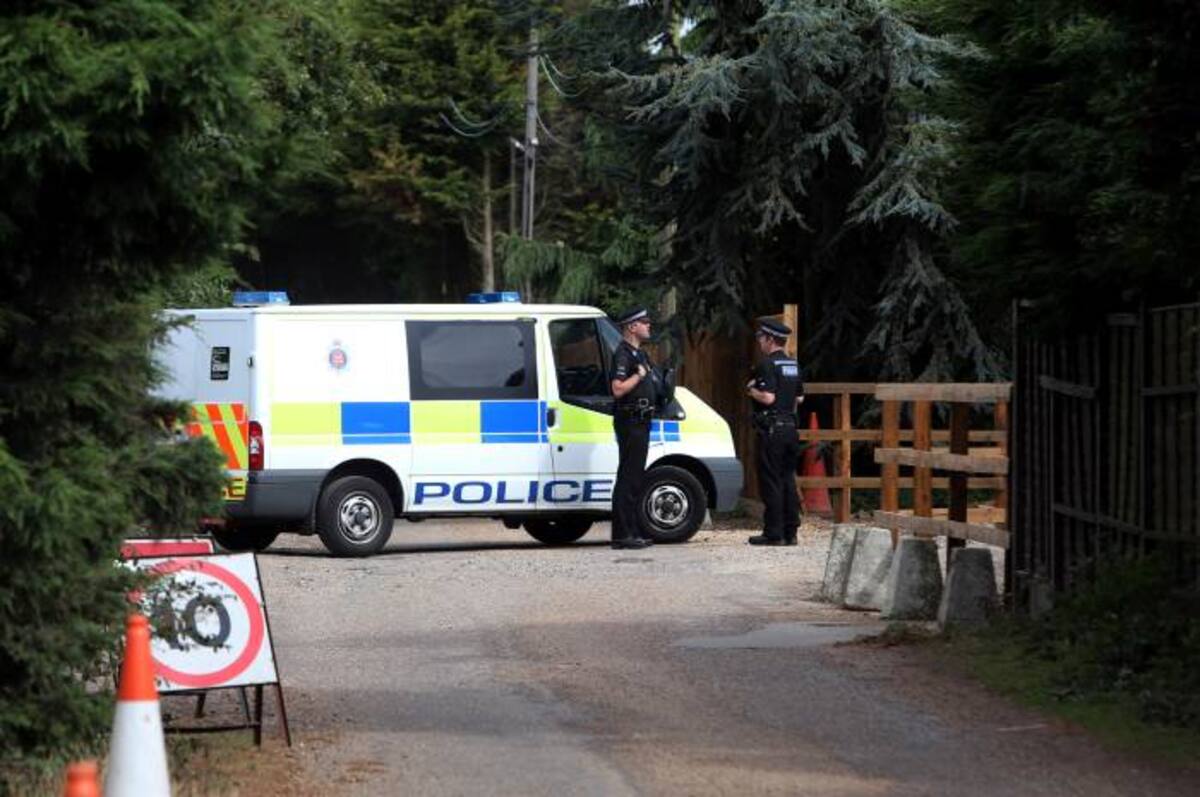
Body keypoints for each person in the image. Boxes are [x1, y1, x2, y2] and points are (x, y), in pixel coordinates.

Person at [746, 319, 804, 546]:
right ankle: (791, 531)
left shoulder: (767, 365)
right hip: (790, 428)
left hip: (772, 430)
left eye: (761, 338)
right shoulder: (793, 365)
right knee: (787, 478)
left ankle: (774, 532)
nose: (759, 342)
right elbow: (799, 397)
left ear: (770, 339)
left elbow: (768, 397)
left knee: (771, 480)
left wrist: (751, 390)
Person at [609, 306, 658, 550]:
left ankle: (632, 530)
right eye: (644, 322)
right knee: (628, 477)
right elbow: (617, 389)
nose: (649, 325)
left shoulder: (640, 355)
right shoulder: (623, 355)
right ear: (632, 327)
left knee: (635, 477)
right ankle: (621, 534)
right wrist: (638, 376)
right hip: (630, 420)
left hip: (642, 420)